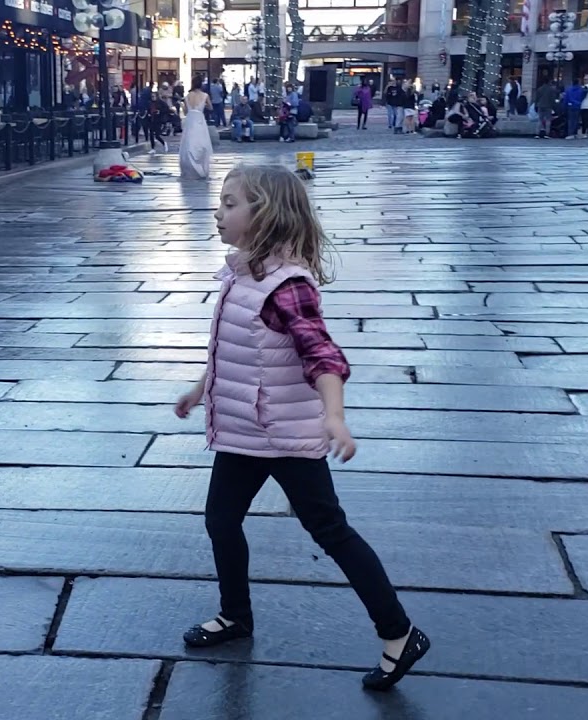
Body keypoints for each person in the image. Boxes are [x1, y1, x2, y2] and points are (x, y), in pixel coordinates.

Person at [174, 163, 430, 692]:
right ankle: (236, 615)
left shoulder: (288, 287)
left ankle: (399, 634)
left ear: (263, 215)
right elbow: (236, 346)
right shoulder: (243, 272)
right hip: (246, 430)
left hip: (288, 435)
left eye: (229, 203)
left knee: (330, 530)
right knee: (221, 520)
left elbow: (323, 355)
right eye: (221, 203)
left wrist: (334, 417)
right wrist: (203, 387)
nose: (218, 213)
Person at [179, 76, 213, 179]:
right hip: (199, 119)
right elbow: (211, 107)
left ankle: (189, 168)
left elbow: (185, 112)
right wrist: (204, 105)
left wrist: (183, 106)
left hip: (190, 119)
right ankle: (201, 167)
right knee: (201, 143)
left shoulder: (188, 96)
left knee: (188, 143)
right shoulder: (205, 95)